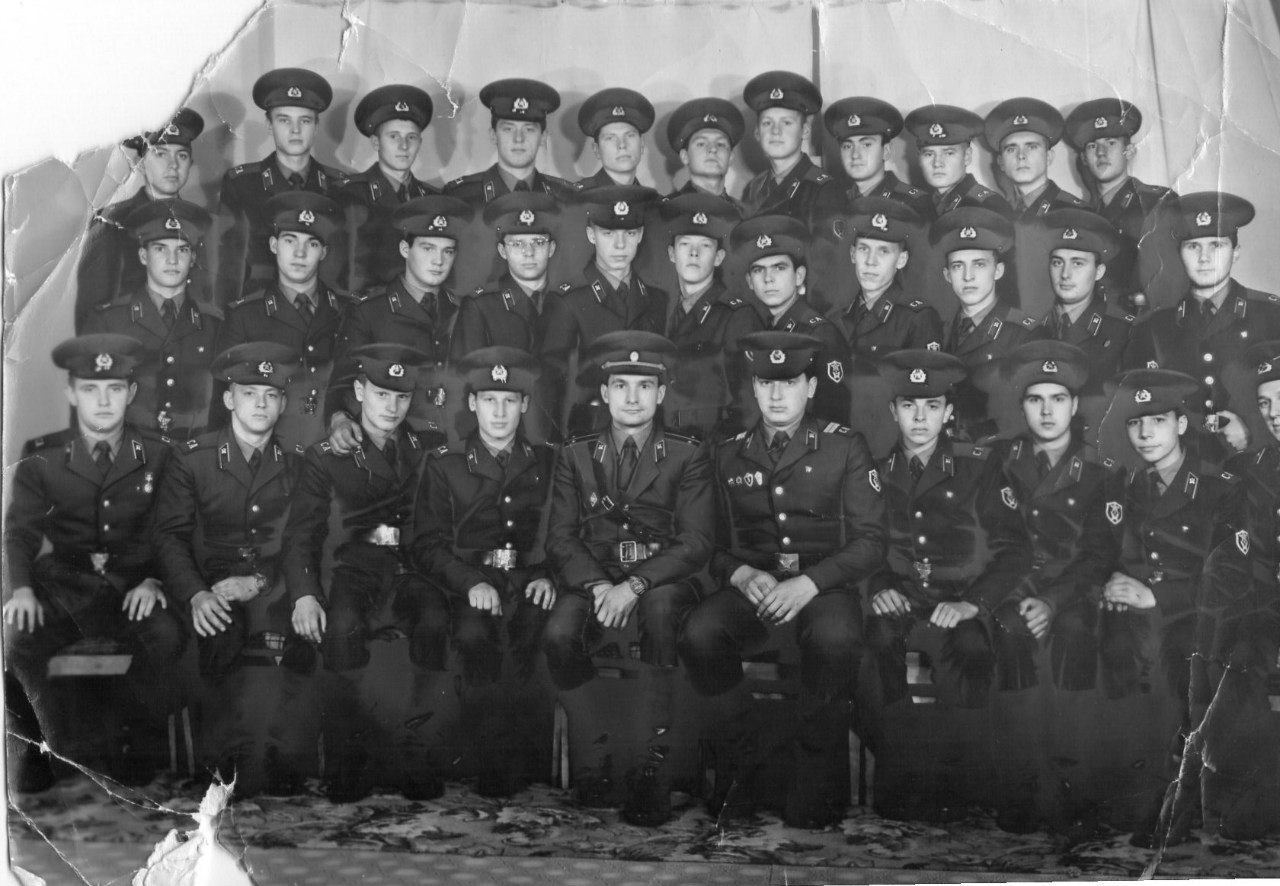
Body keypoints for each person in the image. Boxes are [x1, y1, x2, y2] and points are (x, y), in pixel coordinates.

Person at [678, 331, 886, 828]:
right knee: (700, 634)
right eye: (766, 383)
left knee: (836, 639)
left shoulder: (845, 445)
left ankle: (815, 781)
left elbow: (871, 541)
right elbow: (705, 543)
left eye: (789, 383)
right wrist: (740, 571)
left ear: (810, 387)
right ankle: (742, 764)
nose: (776, 394)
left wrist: (811, 582)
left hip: (823, 587)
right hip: (754, 587)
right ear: (753, 387)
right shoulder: (726, 451)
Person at [542, 331, 712, 825]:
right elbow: (560, 538)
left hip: (662, 579)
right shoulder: (576, 453)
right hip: (595, 577)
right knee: (559, 634)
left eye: (644, 386)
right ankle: (598, 754)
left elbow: (696, 541)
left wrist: (635, 585)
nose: (632, 398)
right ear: (604, 393)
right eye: (621, 386)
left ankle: (651, 768)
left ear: (662, 394)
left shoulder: (687, 453)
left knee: (659, 614)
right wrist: (599, 586)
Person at [3, 334, 184, 788]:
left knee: (165, 635)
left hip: (132, 589)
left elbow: (172, 531)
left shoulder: (160, 455)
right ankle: (48, 756)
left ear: (131, 393)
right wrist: (21, 589)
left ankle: (135, 751)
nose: (103, 402)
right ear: (72, 393)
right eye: (90, 389)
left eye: (114, 389)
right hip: (65, 589)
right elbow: (19, 533)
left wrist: (155, 581)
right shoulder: (44, 456)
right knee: (17, 637)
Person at [861, 349, 1033, 822]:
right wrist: (878, 586)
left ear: (949, 412)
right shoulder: (873, 472)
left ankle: (958, 781)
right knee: (874, 643)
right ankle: (898, 774)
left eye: (932, 406)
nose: (920, 418)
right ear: (893, 410)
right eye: (909, 406)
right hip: (902, 600)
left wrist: (974, 604)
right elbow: (861, 543)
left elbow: (1016, 550)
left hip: (962, 601)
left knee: (973, 649)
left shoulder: (979, 465)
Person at [282, 344, 447, 803]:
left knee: (436, 617)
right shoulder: (326, 455)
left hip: (409, 568)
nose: (391, 407)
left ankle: (415, 755)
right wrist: (304, 593)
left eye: (401, 396)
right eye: (380, 394)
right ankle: (347, 762)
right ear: (358, 392)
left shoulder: (424, 446)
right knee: (342, 627)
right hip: (352, 569)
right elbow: (301, 533)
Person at [1092, 369, 1246, 846]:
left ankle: (1172, 808)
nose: (1145, 434)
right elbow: (1103, 553)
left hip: (1197, 618)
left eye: (1157, 421)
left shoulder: (1220, 488)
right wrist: (1110, 585)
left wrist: (1157, 596)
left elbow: (1231, 575)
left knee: (1177, 663)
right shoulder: (1123, 487)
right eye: (1136, 423)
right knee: (1100, 647)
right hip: (1137, 615)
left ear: (1181, 424)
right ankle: (1122, 790)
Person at [151, 342, 310, 797]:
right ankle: (220, 770)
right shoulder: (192, 458)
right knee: (221, 632)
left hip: (269, 582)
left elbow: (299, 540)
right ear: (228, 399)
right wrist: (196, 593)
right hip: (207, 584)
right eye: (249, 393)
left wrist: (259, 582)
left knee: (295, 637)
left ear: (283, 403)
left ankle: (275, 761)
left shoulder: (295, 464)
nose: (261, 404)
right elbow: (169, 537)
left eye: (271, 395)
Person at [985, 340, 1121, 832]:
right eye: (1035, 400)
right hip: (1012, 588)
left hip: (1073, 594)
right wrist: (1024, 597)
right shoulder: (997, 461)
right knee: (1008, 634)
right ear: (1022, 405)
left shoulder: (1102, 471)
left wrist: (1051, 600)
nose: (1047, 411)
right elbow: (994, 541)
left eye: (1058, 399)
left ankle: (1072, 787)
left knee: (1076, 635)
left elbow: (1099, 555)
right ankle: (1020, 787)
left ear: (1075, 404)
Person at [413, 347, 558, 797]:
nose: (499, 412)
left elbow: (564, 530)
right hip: (469, 582)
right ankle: (483, 759)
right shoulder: (445, 462)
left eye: (509, 401)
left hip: (529, 578)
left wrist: (549, 575)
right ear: (472, 403)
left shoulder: (548, 461)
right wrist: (470, 582)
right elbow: (427, 544)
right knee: (474, 636)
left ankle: (524, 761)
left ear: (525, 405)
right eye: (489, 400)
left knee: (533, 631)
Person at [1123, 191, 1280, 456]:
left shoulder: (1272, 315)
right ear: (1179, 252)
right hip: (1186, 463)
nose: (1204, 258)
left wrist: (1254, 430)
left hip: (1259, 464)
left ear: (1236, 252)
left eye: (1216, 245)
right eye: (1193, 246)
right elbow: (1137, 407)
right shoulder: (1151, 328)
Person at [326, 195, 473, 452]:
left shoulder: (466, 310)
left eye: (447, 251)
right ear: (405, 250)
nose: (438, 261)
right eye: (428, 248)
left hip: (458, 445)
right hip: (397, 445)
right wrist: (339, 419)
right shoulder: (369, 310)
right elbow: (343, 382)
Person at [216, 191, 347, 451]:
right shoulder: (244, 316)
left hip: (332, 448)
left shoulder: (348, 310)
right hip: (268, 453)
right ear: (274, 245)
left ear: (323, 252)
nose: (300, 253)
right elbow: (224, 402)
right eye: (290, 241)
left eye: (311, 244)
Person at [83, 199, 219, 439]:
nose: (172, 260)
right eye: (160, 249)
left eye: (182, 250)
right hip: (128, 449)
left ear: (193, 258)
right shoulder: (108, 322)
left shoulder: (214, 324)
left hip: (195, 451)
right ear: (143, 255)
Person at [213, 68, 349, 307]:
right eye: (284, 120)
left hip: (322, 310)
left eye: (305, 121)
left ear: (316, 126)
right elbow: (229, 263)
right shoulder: (241, 184)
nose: (295, 130)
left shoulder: (340, 185)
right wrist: (228, 318)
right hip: (257, 310)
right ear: (269, 125)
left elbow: (343, 263)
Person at [540, 185, 668, 435]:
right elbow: (549, 384)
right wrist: (554, 444)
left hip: (646, 431)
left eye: (629, 233)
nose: (620, 245)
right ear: (591, 234)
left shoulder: (656, 299)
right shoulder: (568, 301)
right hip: (587, 431)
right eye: (608, 233)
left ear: (641, 235)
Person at [75, 108, 205, 329]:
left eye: (181, 155)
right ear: (143, 163)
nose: (173, 165)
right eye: (161, 154)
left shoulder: (200, 222)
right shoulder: (112, 221)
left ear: (190, 163)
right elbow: (92, 312)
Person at [729, 215, 851, 428]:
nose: (768, 278)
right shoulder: (760, 330)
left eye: (779, 268)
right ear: (749, 281)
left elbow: (832, 416)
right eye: (758, 270)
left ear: (799, 276)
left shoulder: (821, 334)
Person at [932, 207, 1042, 440]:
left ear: (998, 270)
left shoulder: (1025, 334)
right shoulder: (937, 330)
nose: (968, 276)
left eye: (979, 264)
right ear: (947, 275)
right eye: (958, 266)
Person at [658, 192, 761, 438]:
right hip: (668, 444)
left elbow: (750, 404)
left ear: (718, 257)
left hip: (714, 446)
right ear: (672, 253)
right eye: (685, 244)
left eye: (704, 246)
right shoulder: (663, 312)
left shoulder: (737, 317)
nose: (694, 253)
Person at [1063, 98, 1180, 308]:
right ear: (1084, 158)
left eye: (1111, 143)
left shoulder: (1156, 202)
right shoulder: (1081, 215)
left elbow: (1171, 281)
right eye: (1092, 146)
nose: (1101, 153)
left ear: (1129, 151)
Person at [1036, 208, 1134, 435]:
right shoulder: (1032, 329)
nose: (1065, 274)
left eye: (1078, 263)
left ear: (1099, 271)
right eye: (1057, 263)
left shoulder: (1125, 330)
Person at [338, 84, 439, 292]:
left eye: (411, 137)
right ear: (376, 142)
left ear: (420, 142)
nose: (404, 146)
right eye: (393, 136)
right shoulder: (348, 195)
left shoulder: (433, 199)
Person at [828, 196, 943, 356]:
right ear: (853, 254)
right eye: (864, 249)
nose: (870, 261)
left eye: (883, 251)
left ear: (901, 260)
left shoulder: (917, 319)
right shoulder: (836, 319)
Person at [444, 78, 578, 204]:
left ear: (543, 137)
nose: (518, 138)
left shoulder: (566, 197)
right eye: (508, 129)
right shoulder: (460, 197)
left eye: (529, 129)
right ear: (493, 135)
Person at [738, 71, 842, 229]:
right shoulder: (754, 188)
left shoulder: (824, 190)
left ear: (805, 130)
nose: (776, 131)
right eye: (767, 123)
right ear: (757, 133)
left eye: (786, 123)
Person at [822, 97, 931, 216]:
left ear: (886, 151)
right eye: (847, 146)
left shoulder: (913, 204)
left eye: (866, 145)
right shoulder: (830, 202)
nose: (855, 155)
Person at [982, 98, 1085, 219]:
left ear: (1048, 157)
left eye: (1031, 147)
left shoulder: (1076, 213)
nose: (1021, 156)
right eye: (1011, 149)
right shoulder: (996, 214)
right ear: (1001, 162)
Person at [665, 97, 747, 211]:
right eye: (701, 144)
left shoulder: (745, 214)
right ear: (685, 156)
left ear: (730, 157)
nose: (713, 149)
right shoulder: (665, 211)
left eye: (721, 144)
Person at [576, 88, 655, 188]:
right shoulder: (577, 197)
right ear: (597, 150)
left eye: (630, 135)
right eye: (610, 138)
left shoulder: (652, 198)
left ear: (642, 144)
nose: (622, 145)